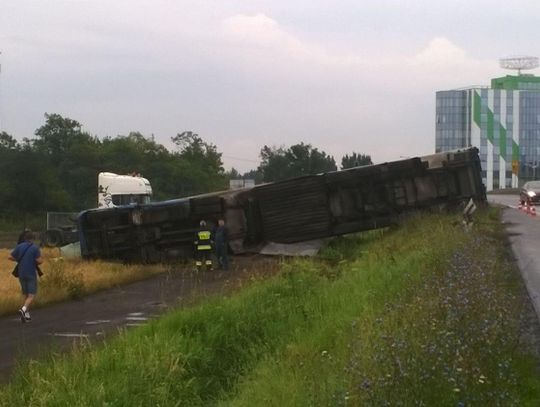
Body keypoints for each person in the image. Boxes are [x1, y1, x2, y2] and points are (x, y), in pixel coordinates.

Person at [9, 230, 43, 323]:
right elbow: (40, 261)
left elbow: (10, 257)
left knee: (25, 294)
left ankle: (26, 317)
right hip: (31, 273)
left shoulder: (19, 247)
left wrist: (19, 260)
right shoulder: (35, 248)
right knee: (31, 295)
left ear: (24, 238)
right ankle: (23, 309)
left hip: (21, 273)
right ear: (32, 239)